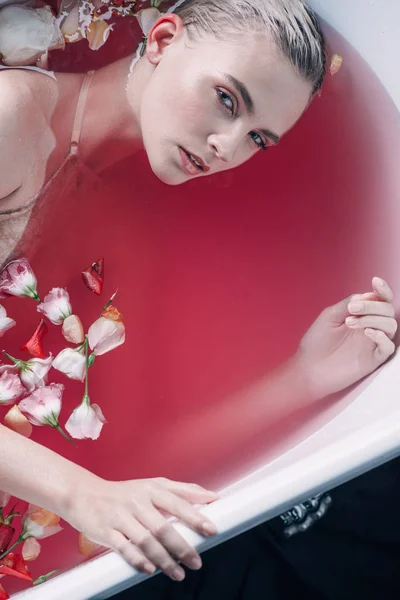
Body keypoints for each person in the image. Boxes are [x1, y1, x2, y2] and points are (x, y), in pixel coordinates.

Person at [0, 0, 397, 587]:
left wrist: (303, 376)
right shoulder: (12, 121)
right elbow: (99, 488)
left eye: (258, 137)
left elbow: (144, 453)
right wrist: (80, 494)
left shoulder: (124, 235)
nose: (227, 147)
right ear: (161, 40)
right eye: (227, 99)